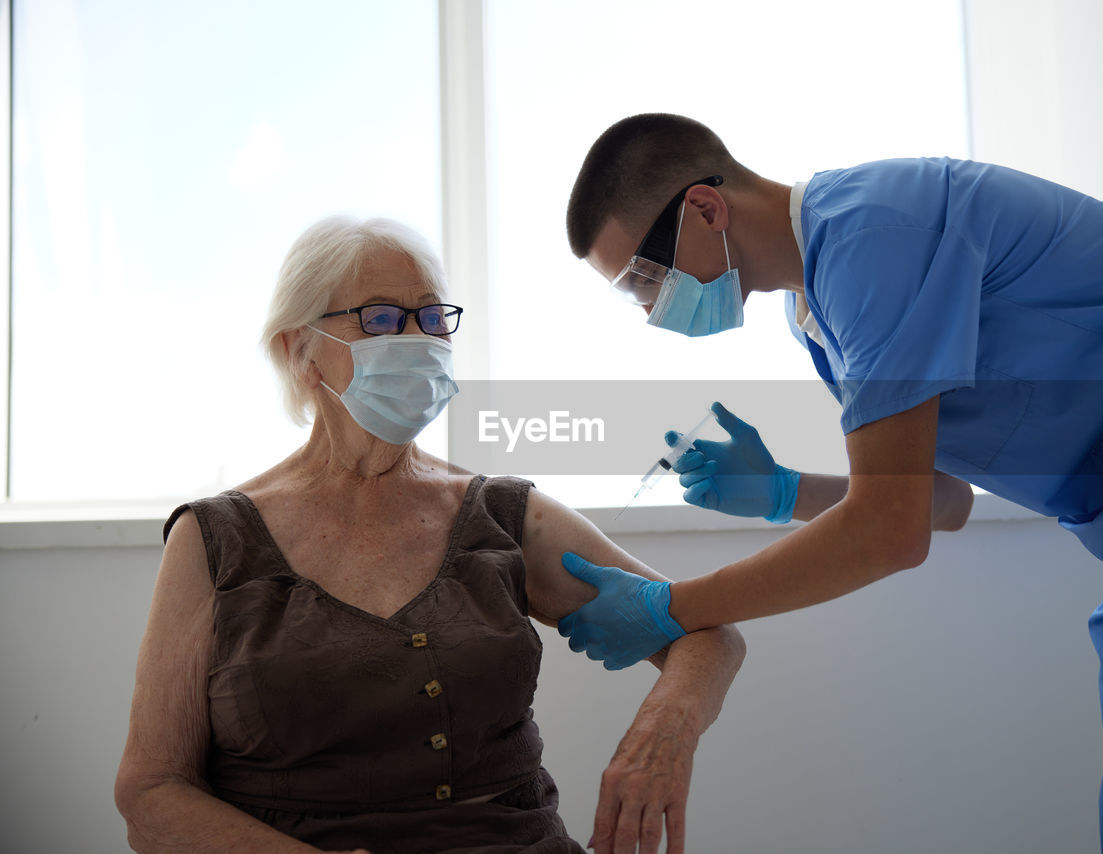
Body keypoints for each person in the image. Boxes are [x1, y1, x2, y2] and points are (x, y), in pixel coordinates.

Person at [558, 113, 1103, 853]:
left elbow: (890, 531)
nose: (649, 310)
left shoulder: (873, 236)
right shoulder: (817, 315)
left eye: (642, 279)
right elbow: (943, 504)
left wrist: (670, 607)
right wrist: (784, 491)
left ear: (706, 210)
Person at [114, 215, 745, 854]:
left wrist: (661, 734)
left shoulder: (503, 515)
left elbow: (706, 634)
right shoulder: (214, 539)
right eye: (381, 319)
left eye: (431, 319)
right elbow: (150, 792)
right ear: (297, 351)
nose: (416, 339)